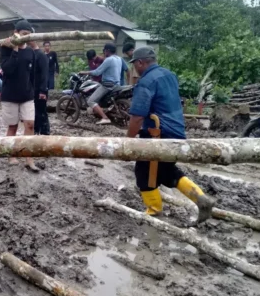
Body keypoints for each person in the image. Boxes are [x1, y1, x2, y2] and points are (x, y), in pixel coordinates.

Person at [127, 46, 215, 223]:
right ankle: (201, 199)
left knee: (143, 173)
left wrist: (127, 142)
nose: (135, 68)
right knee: (166, 171)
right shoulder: (169, 75)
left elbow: (137, 116)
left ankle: (154, 211)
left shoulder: (146, 81)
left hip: (157, 135)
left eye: (135, 64)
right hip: (176, 132)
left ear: (140, 62)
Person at [0, 19, 39, 172]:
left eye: (28, 35)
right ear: (15, 33)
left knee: (30, 125)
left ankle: (29, 157)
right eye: (24, 34)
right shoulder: (5, 49)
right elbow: (7, 70)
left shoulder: (30, 51)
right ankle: (12, 154)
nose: (26, 38)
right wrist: (15, 49)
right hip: (10, 95)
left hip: (27, 95)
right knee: (13, 126)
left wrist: (35, 90)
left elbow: (32, 73)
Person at [79, 43, 123, 125]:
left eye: (104, 50)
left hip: (108, 85)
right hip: (117, 84)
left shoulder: (108, 59)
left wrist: (84, 72)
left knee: (91, 101)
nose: (104, 52)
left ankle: (105, 118)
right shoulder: (118, 59)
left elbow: (97, 72)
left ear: (108, 51)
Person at [32, 41, 50, 135]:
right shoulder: (30, 53)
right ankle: (35, 131)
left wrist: (43, 90)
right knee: (34, 112)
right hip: (32, 89)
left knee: (41, 112)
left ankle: (45, 133)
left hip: (40, 89)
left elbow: (44, 74)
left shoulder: (41, 55)